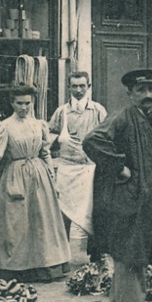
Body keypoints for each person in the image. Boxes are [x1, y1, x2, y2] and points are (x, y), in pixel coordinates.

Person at [83, 69, 152, 302]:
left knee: (129, 262)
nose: (147, 94)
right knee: (131, 262)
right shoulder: (122, 116)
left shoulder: (150, 120)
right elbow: (92, 140)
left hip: (144, 204)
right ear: (129, 92)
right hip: (127, 205)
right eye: (141, 89)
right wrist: (119, 167)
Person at [0, 85, 71, 282]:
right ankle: (14, 269)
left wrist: (52, 177)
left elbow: (45, 153)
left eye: (28, 103)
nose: (24, 107)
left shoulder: (39, 124)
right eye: (19, 103)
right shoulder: (4, 126)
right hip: (15, 176)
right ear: (12, 103)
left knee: (42, 222)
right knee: (15, 223)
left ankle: (44, 268)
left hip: (39, 176)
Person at [47, 71, 107, 250]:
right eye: (75, 86)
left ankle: (96, 254)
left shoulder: (98, 110)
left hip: (90, 167)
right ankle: (61, 254)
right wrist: (58, 139)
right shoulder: (62, 112)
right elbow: (49, 134)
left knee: (93, 211)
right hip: (67, 168)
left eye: (82, 86)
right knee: (63, 212)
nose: (79, 90)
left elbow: (107, 136)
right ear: (69, 88)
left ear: (89, 87)